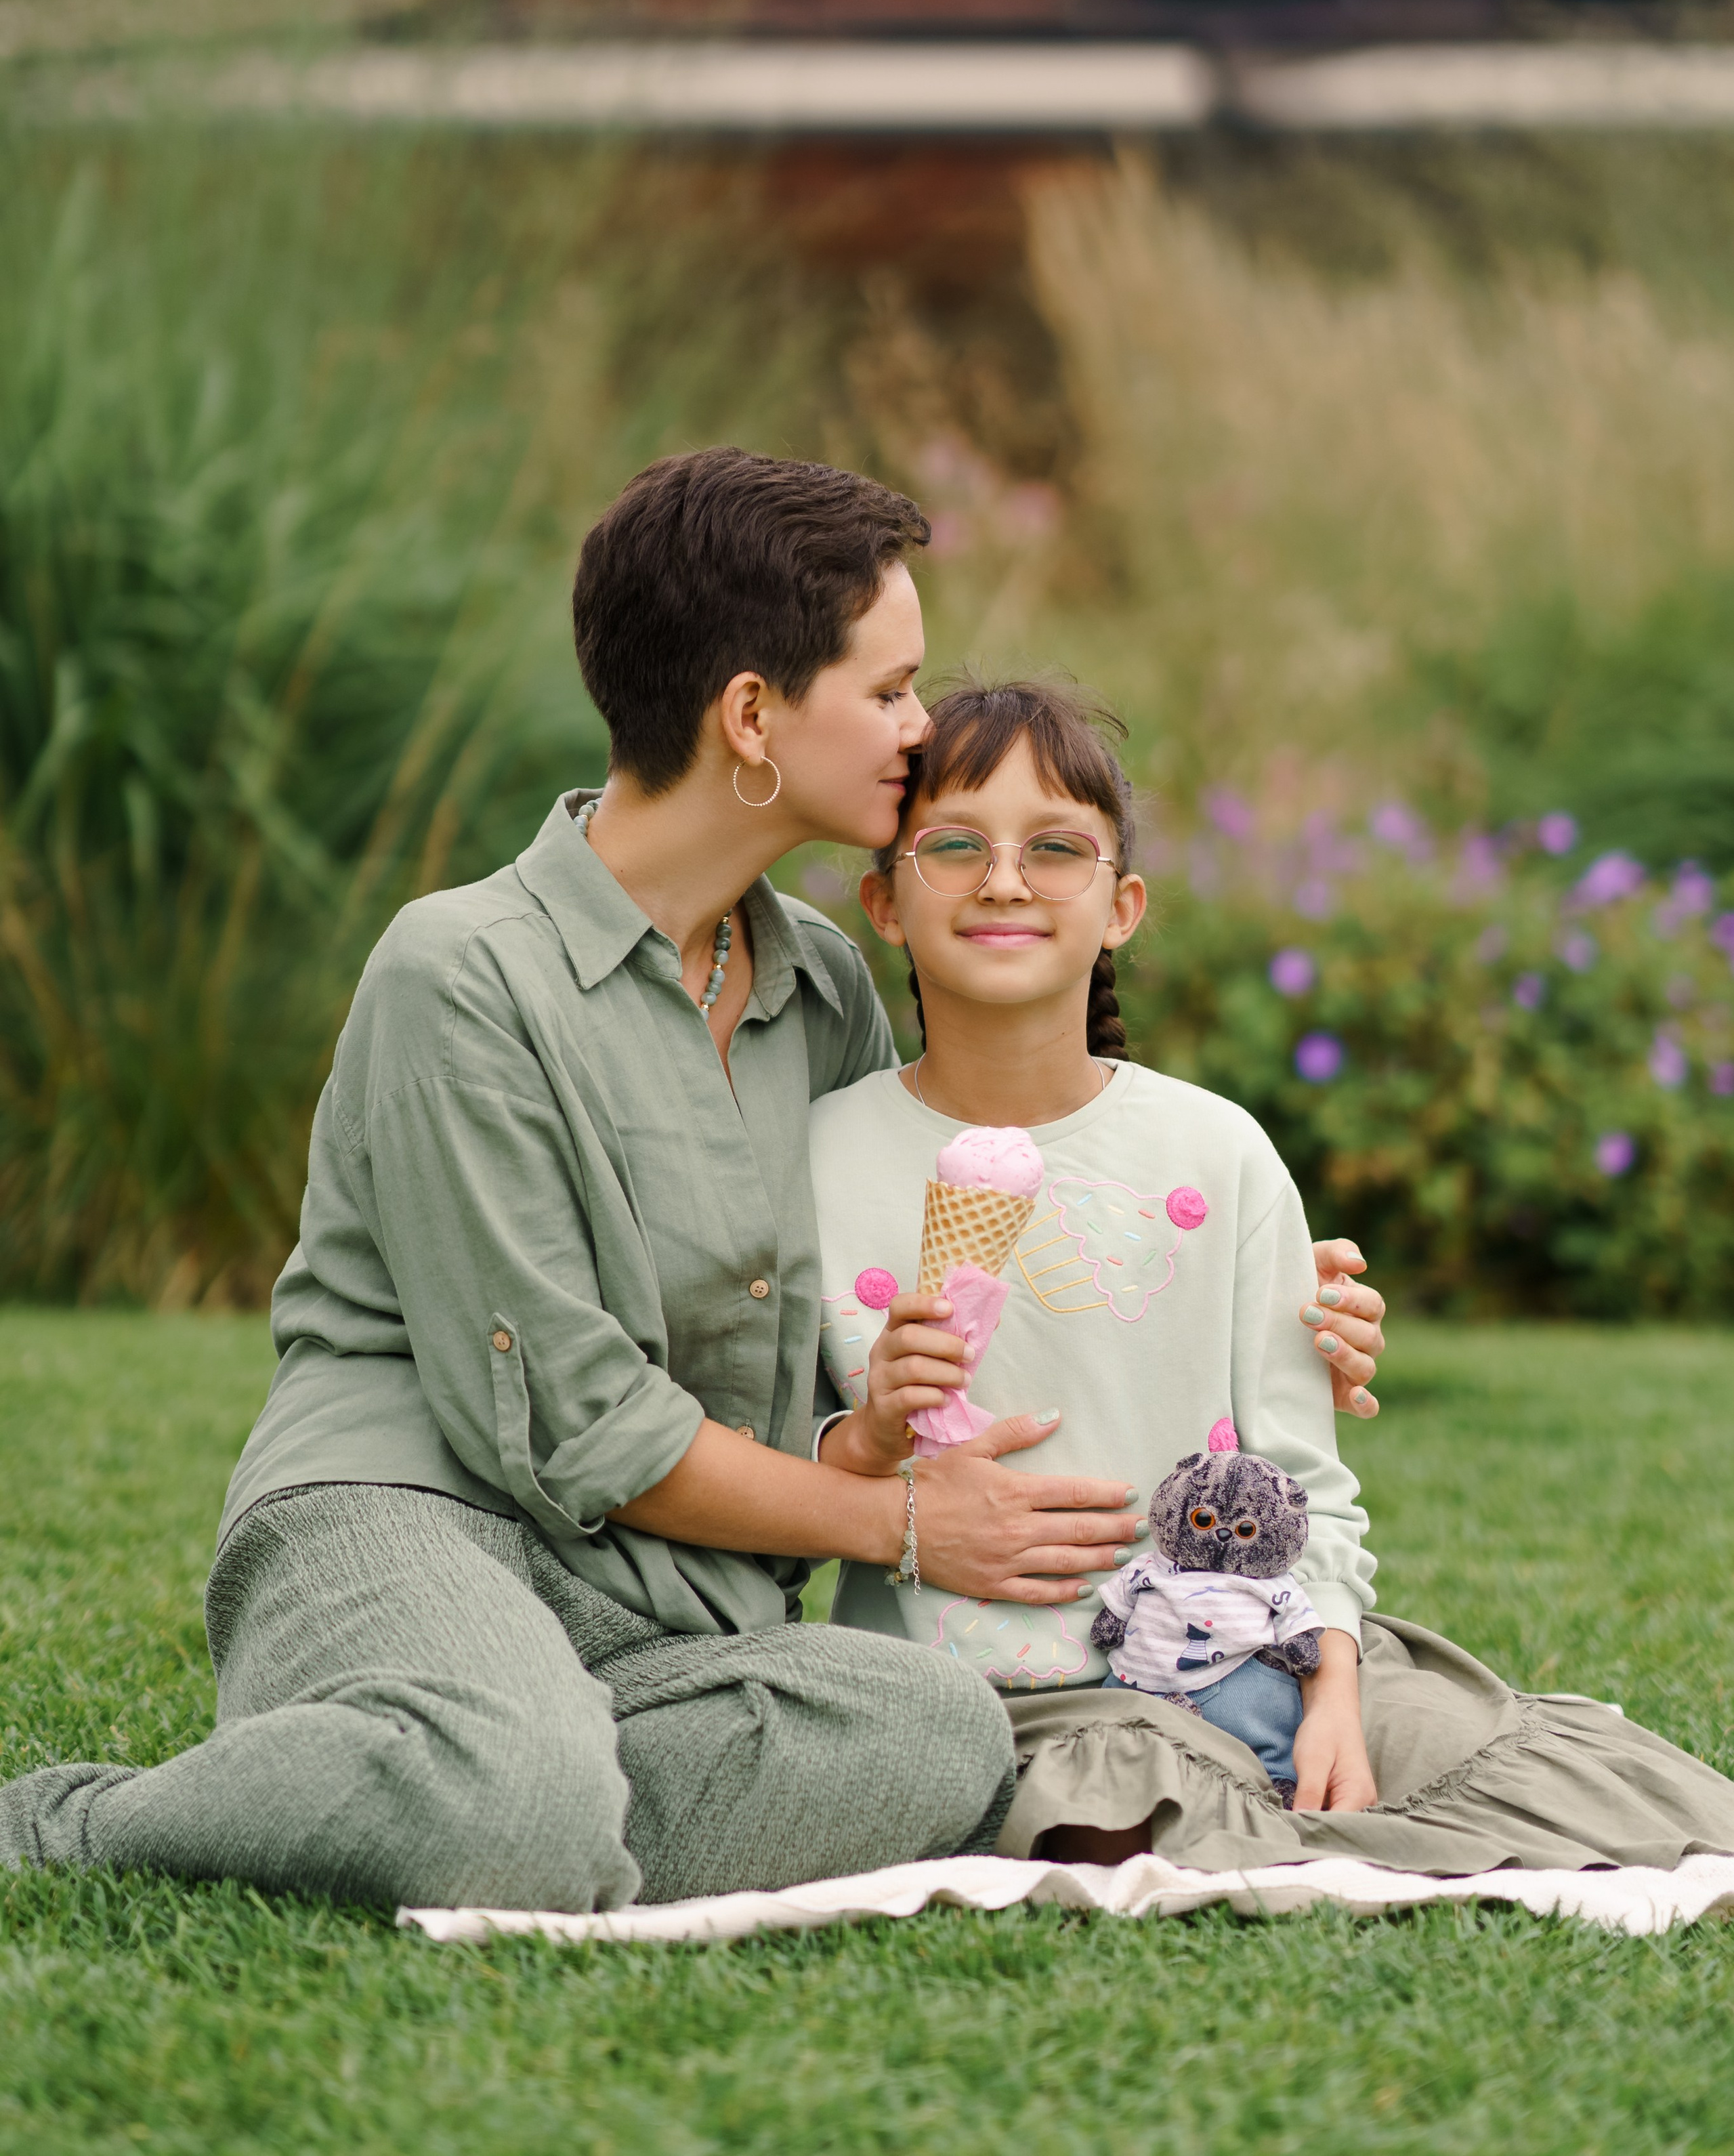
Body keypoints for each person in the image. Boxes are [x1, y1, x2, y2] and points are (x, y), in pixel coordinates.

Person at [0, 450, 1376, 1914]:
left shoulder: (820, 984)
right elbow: (569, 1422)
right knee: (511, 1806)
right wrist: (899, 1526)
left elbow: (915, 1273)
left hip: (679, 1597)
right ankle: (89, 1822)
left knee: (931, 1739)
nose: (919, 731)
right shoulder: (461, 976)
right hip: (419, 1517)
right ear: (749, 720)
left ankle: (498, 1776)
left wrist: (1270, 1296)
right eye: (890, 689)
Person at [811, 677, 1734, 1872]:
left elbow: (1302, 1477)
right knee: (1132, 1800)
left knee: (1557, 1788)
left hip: (1241, 1654)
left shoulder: (1218, 1152)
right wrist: (878, 1433)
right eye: (955, 846)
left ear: (1123, 905)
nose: (1003, 880)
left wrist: (1335, 1689)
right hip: (973, 1690)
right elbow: (775, 1469)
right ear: (884, 902)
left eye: (1056, 848)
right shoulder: (822, 1158)